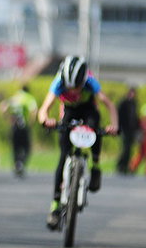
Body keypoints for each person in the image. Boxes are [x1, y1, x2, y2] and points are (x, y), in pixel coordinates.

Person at [37, 55, 118, 230]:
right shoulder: (58, 82)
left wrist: (114, 126)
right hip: (69, 111)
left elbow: (108, 105)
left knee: (95, 129)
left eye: (77, 87)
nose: (73, 91)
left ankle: (96, 165)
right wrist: (45, 120)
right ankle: (55, 205)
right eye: (69, 87)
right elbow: (44, 108)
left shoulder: (90, 81)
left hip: (88, 110)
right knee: (63, 155)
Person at [0, 85, 37, 177]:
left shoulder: (15, 97)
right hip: (23, 126)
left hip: (13, 126)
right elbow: (34, 110)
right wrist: (31, 123)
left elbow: (3, 107)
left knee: (15, 147)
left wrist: (7, 118)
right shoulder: (28, 98)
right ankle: (21, 163)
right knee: (26, 147)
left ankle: (16, 164)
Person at [116, 86, 140, 175]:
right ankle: (121, 165)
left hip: (131, 130)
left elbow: (135, 117)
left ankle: (126, 166)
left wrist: (137, 128)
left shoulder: (134, 104)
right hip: (124, 129)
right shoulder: (124, 103)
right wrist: (119, 127)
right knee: (125, 148)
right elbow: (119, 115)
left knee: (129, 149)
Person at [129, 103, 146, 177]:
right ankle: (133, 168)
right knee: (141, 156)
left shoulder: (145, 121)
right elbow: (143, 131)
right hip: (145, 142)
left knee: (145, 157)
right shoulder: (143, 121)